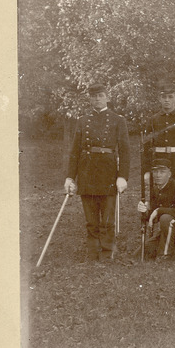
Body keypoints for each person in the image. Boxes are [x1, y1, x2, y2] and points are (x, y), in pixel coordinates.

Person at [65, 84, 130, 262]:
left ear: (107, 97)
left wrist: (122, 176)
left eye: (100, 95)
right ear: (90, 99)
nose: (97, 99)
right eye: (94, 96)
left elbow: (124, 151)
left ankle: (107, 253)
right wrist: (70, 177)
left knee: (107, 219)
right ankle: (93, 254)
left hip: (108, 172)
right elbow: (75, 151)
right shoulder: (82, 121)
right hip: (87, 172)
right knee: (91, 219)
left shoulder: (118, 120)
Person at [136, 158, 175, 259]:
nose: (158, 175)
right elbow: (154, 217)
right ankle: (168, 247)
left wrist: (158, 211)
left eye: (162, 172)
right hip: (167, 229)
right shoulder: (156, 189)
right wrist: (145, 211)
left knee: (165, 218)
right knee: (140, 254)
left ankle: (165, 255)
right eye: (155, 171)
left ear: (169, 174)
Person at [143, 83, 175, 183]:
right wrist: (146, 170)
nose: (167, 100)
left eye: (170, 97)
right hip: (159, 164)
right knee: (159, 195)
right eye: (164, 97)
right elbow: (146, 147)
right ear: (159, 99)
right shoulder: (153, 120)